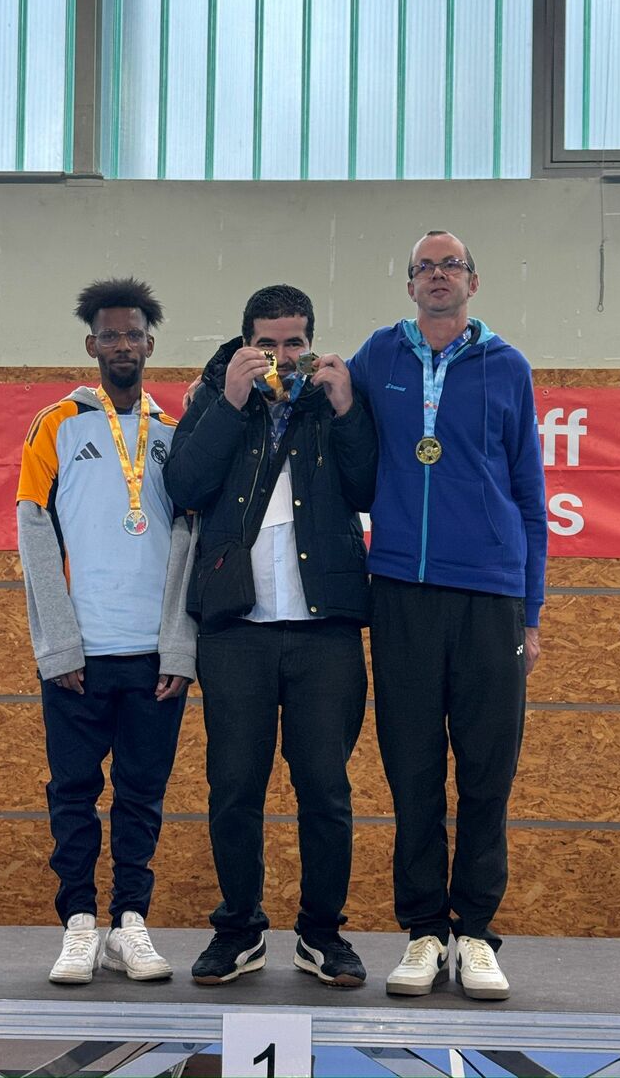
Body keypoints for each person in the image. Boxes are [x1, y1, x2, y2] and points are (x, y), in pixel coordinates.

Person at [348, 231, 547, 1000]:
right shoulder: (378, 355)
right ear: (410, 286)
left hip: (492, 595)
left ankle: (476, 935)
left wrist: (531, 613)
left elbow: (529, 495)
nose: (438, 275)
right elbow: (336, 420)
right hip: (401, 589)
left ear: (473, 281)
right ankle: (425, 932)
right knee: (413, 772)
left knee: (488, 773)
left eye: (451, 265)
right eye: (425, 267)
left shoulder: (508, 367)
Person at [163, 285, 377, 988]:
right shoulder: (214, 396)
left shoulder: (333, 399)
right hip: (236, 631)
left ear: (310, 342)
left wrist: (346, 411)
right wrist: (228, 401)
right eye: (267, 343)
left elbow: (369, 487)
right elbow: (185, 485)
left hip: (326, 632)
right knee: (233, 788)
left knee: (326, 790)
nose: (282, 355)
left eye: (294, 342)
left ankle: (322, 935)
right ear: (245, 343)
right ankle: (238, 931)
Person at [16, 277, 195, 985]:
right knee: (73, 792)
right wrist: (58, 643)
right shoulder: (55, 425)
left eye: (134, 334)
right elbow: (34, 534)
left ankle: (130, 923)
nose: (123, 344)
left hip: (153, 655)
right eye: (110, 334)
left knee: (141, 797)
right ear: (92, 345)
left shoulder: (174, 434)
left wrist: (179, 644)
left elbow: (188, 542)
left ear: (150, 345)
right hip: (80, 656)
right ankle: (78, 924)